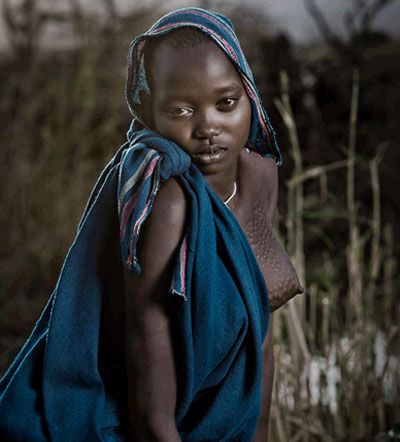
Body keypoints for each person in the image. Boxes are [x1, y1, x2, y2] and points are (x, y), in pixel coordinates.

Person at [0, 7, 302, 442]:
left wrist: (258, 430)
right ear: (150, 112)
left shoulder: (258, 173)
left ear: (249, 96)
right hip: (127, 414)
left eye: (226, 103)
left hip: (211, 407)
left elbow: (260, 325)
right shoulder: (165, 200)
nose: (208, 127)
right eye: (181, 109)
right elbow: (146, 348)